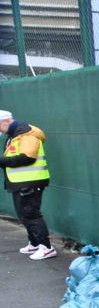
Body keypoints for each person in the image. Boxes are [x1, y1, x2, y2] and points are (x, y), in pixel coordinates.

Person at [0, 110, 55, 260]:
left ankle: (47, 247)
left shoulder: (27, 134)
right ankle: (35, 243)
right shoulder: (15, 136)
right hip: (21, 182)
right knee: (24, 215)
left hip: (31, 181)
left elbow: (27, 158)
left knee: (31, 214)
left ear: (5, 121)